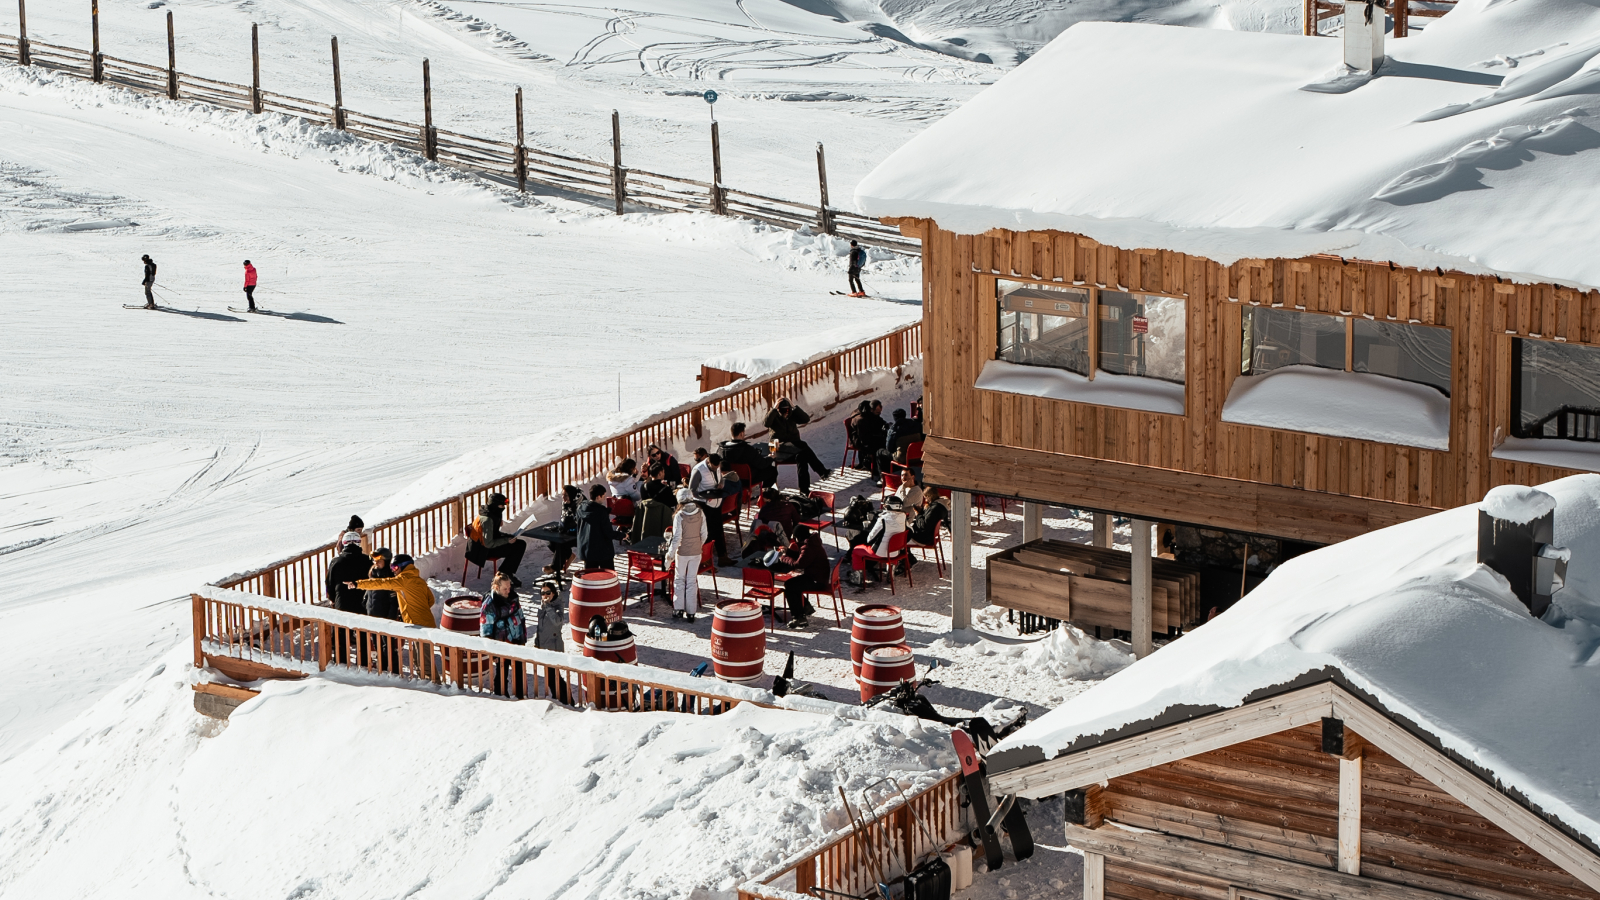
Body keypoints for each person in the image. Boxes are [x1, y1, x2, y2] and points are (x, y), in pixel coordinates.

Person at [325, 531, 373, 665]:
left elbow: (329, 583)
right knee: (363, 635)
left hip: (343, 603)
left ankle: (341, 662)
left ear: (344, 543)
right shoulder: (366, 560)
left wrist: (333, 599)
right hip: (362, 602)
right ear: (359, 543)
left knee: (341, 635)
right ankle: (364, 663)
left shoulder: (336, 561)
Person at [763, 398, 830, 494]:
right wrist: (773, 409)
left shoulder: (791, 414)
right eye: (783, 410)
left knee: (802, 457)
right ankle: (822, 471)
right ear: (778, 409)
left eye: (788, 410)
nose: (786, 412)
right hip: (778, 448)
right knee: (803, 445)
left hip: (794, 449)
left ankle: (804, 489)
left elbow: (806, 419)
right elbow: (766, 423)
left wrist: (794, 407)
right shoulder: (774, 416)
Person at [352, 553, 436, 627]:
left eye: (395, 567)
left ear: (403, 566)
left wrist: (358, 584)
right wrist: (418, 609)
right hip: (428, 622)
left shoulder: (402, 581)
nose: (393, 571)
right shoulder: (420, 580)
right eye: (392, 567)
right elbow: (431, 600)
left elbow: (381, 583)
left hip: (418, 625)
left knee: (421, 645)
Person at [479, 573, 527, 695]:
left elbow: (521, 618)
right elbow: (486, 629)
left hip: (516, 641)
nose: (508, 591)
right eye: (505, 589)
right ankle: (501, 697)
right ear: (496, 587)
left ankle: (519, 697)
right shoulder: (490, 604)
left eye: (509, 588)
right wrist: (491, 651)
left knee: (519, 674)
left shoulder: (513, 598)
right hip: (501, 645)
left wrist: (523, 639)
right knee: (501, 675)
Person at [466, 492, 527, 586]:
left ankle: (506, 573)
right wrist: (506, 540)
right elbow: (488, 543)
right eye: (501, 505)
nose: (503, 508)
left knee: (520, 544)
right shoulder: (487, 519)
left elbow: (493, 533)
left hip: (486, 544)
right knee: (517, 548)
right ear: (494, 505)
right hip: (481, 550)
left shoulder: (492, 513)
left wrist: (507, 537)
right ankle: (503, 575)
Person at [665, 488, 708, 621]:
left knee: (679, 580)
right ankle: (691, 612)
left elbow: (677, 538)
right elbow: (704, 534)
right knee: (691, 581)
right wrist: (697, 545)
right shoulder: (700, 513)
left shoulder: (679, 516)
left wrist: (670, 555)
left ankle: (678, 609)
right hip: (696, 552)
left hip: (682, 552)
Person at [773, 524, 827, 628]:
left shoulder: (808, 547)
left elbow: (799, 564)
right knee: (792, 584)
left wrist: (784, 558)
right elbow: (802, 557)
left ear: (799, 536)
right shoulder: (811, 543)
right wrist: (788, 551)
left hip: (817, 580)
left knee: (791, 586)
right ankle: (805, 607)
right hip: (817, 576)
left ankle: (799, 617)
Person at [851, 496, 907, 592]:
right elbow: (910, 531)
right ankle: (891, 568)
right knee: (891, 546)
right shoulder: (904, 517)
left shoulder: (883, 519)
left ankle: (858, 577)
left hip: (880, 553)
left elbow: (870, 538)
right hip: (895, 552)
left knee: (856, 550)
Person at [690, 452, 735, 566]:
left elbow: (720, 479)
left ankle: (722, 557)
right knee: (707, 533)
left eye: (717, 467)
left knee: (719, 530)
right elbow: (692, 491)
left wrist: (721, 483)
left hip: (717, 502)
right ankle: (706, 561)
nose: (716, 469)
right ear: (708, 461)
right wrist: (705, 498)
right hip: (705, 505)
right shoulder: (698, 470)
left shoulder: (717, 466)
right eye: (714, 467)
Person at [629, 463, 675, 545]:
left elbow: (644, 501)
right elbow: (672, 503)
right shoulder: (666, 489)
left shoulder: (644, 487)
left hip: (646, 519)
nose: (664, 474)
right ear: (660, 473)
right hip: (662, 520)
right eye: (663, 472)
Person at [719, 422, 775, 489]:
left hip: (729, 478)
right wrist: (770, 458)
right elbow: (762, 464)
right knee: (772, 471)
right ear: (741, 433)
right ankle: (765, 494)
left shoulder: (722, 449)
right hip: (747, 480)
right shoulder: (747, 449)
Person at [544, 485, 582, 574]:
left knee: (561, 543)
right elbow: (563, 519)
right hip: (567, 531)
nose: (563, 498)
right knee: (551, 541)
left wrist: (568, 530)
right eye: (562, 495)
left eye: (566, 495)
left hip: (579, 534)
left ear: (572, 496)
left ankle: (555, 567)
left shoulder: (579, 506)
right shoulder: (566, 504)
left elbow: (579, 524)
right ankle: (569, 555)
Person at [576, 484, 615, 571]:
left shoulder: (581, 508)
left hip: (587, 550)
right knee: (608, 576)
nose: (604, 498)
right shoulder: (601, 513)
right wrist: (622, 535)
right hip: (602, 551)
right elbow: (608, 533)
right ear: (598, 497)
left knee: (590, 576)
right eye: (603, 496)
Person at [849, 399, 888, 481]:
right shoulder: (861, 420)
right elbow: (864, 439)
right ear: (871, 410)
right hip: (859, 440)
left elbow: (878, 421)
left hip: (867, 436)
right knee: (879, 445)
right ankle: (876, 467)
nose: (879, 414)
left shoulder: (870, 415)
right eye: (877, 412)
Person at [879, 408, 924, 473]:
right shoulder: (916, 424)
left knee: (880, 452)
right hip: (918, 456)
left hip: (903, 459)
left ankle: (884, 476)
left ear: (895, 418)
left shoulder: (894, 429)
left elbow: (889, 448)